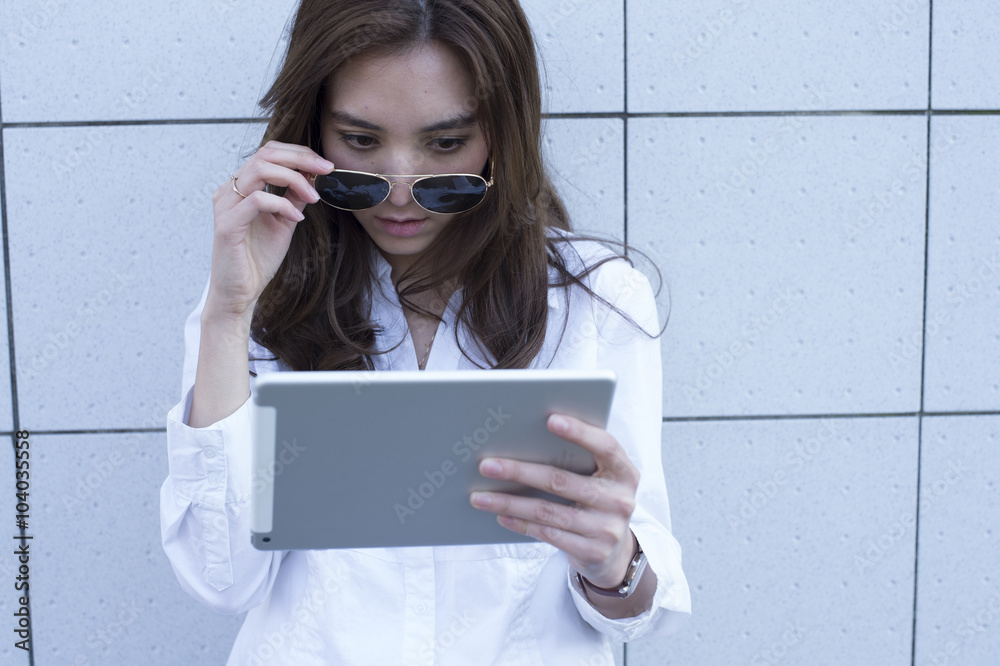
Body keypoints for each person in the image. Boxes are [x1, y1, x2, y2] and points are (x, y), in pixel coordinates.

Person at [159, 0, 690, 663]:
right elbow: (220, 581)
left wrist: (614, 558)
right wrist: (229, 312)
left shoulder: (594, 300)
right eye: (360, 142)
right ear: (311, 129)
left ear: (502, 132)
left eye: (445, 144)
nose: (401, 190)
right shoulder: (254, 296)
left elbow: (645, 603)